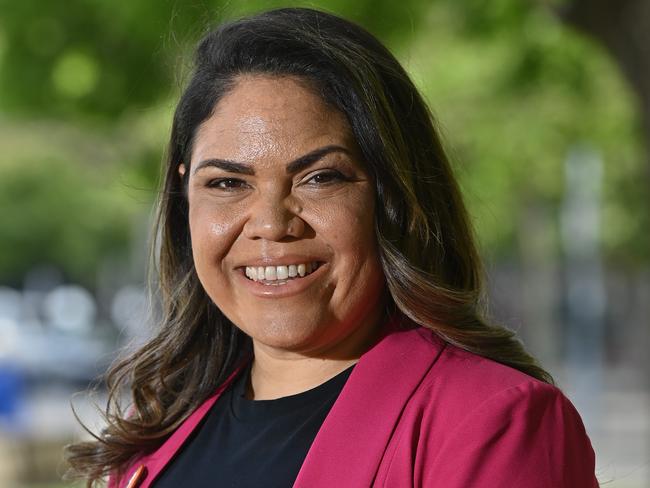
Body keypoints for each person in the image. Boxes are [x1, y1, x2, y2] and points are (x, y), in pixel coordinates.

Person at [65, 7, 598, 488]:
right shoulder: (151, 440)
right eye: (227, 183)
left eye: (320, 178)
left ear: (393, 197)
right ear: (185, 196)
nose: (271, 225)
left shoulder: (490, 423)